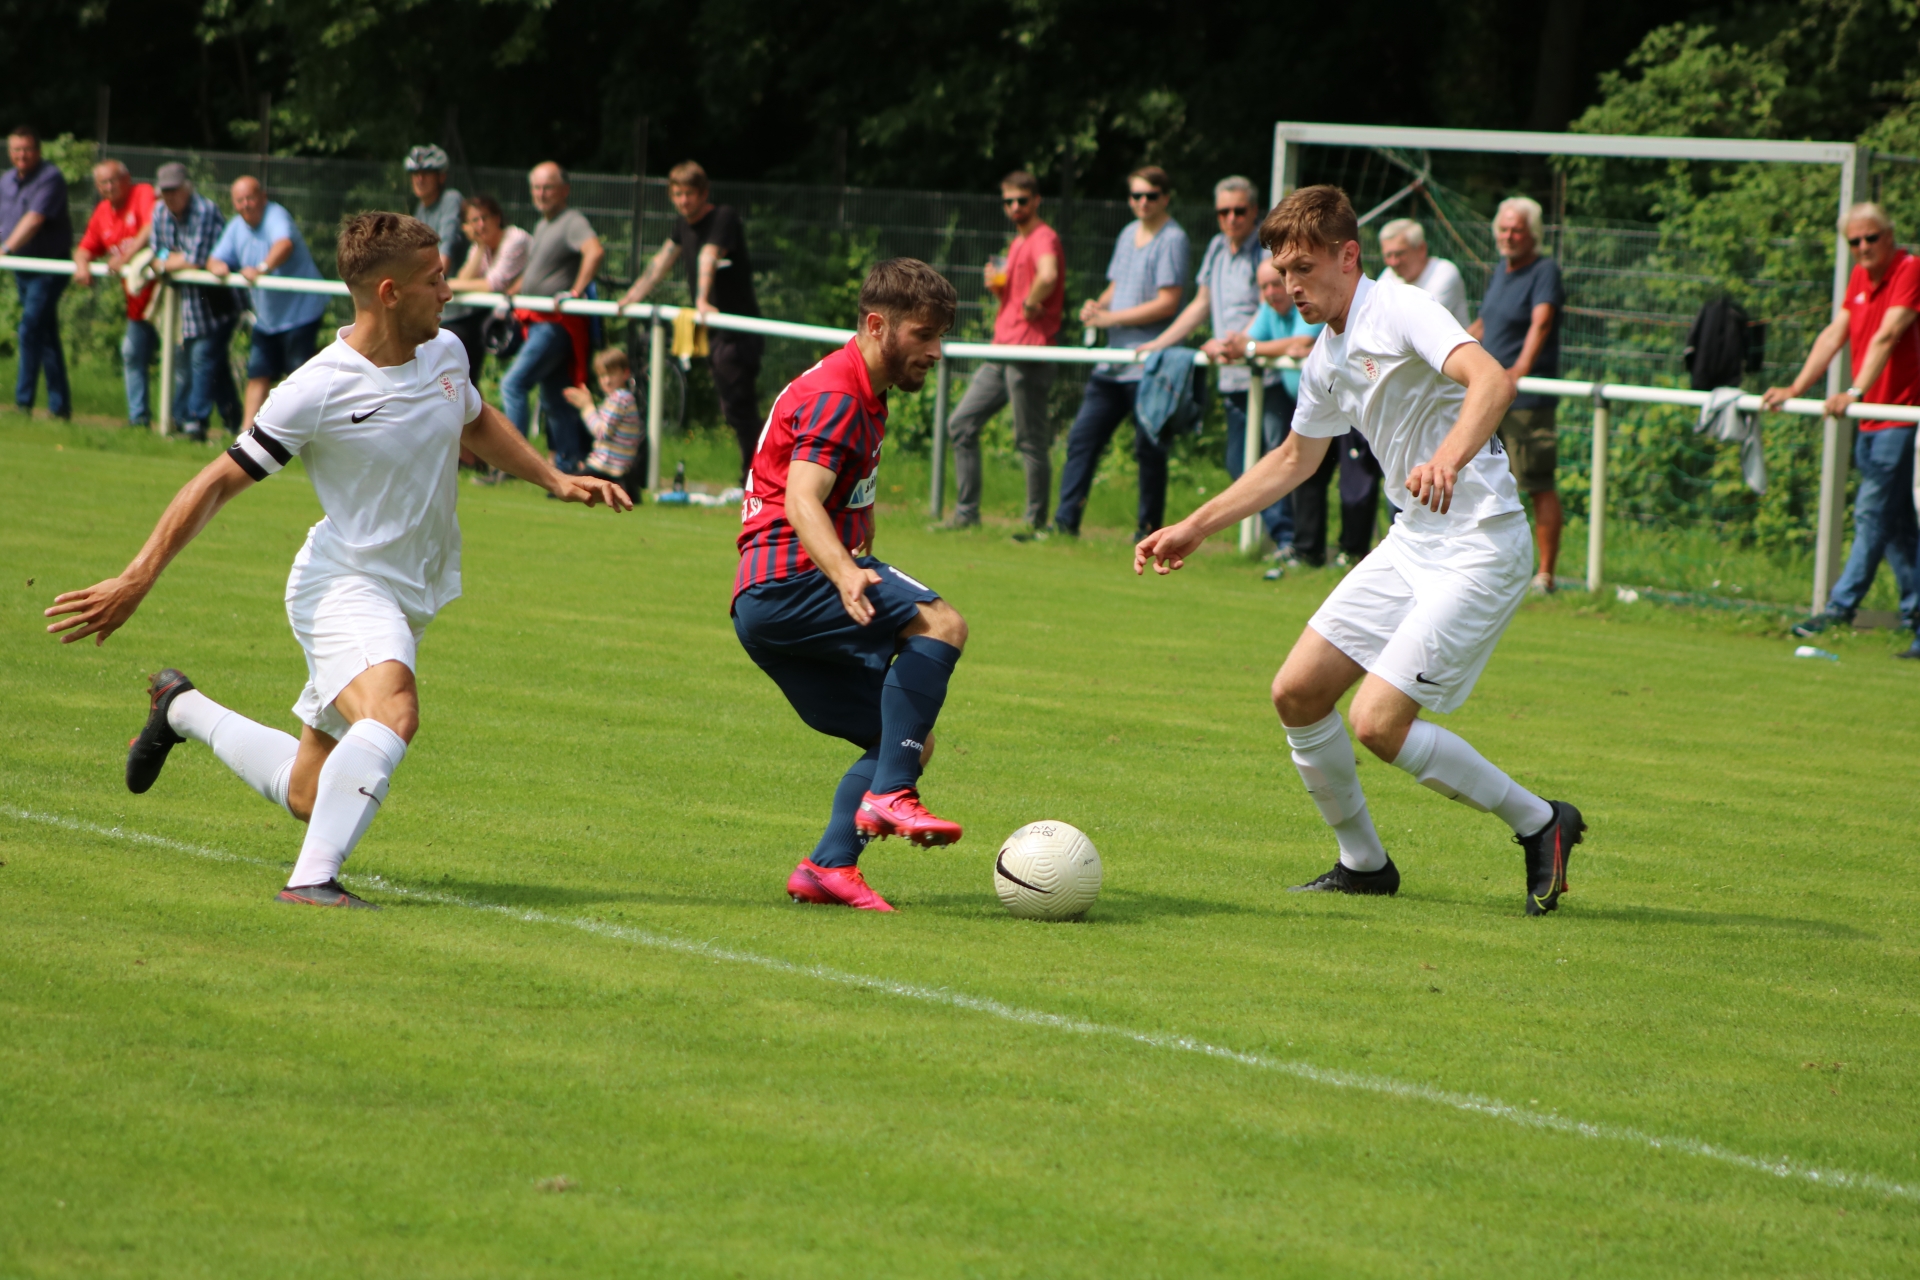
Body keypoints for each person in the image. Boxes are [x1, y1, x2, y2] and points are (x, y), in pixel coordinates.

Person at [45, 212, 631, 908]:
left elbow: (474, 420)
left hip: (409, 594)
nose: (449, 292)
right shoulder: (317, 387)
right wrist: (137, 576)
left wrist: (554, 479)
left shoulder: (446, 352)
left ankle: (181, 708)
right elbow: (217, 481)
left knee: (311, 792)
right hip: (344, 586)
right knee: (394, 709)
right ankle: (310, 881)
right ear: (389, 292)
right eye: (435, 280)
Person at [1136, 185, 1585, 915]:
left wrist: (1447, 458)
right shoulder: (1326, 354)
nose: (1291, 286)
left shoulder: (1401, 308)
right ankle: (1365, 864)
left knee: (1378, 722)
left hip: (1479, 541)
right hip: (1413, 540)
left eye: (1303, 269)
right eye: (1283, 272)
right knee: (1297, 693)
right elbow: (1294, 458)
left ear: (1349, 257)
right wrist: (1195, 526)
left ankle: (1540, 821)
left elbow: (1492, 381)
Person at [732, 259, 967, 913]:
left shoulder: (858, 388)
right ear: (877, 325)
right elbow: (802, 499)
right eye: (924, 334)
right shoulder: (838, 395)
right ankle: (889, 797)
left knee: (903, 741)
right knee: (943, 624)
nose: (935, 352)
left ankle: (829, 865)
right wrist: (844, 572)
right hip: (795, 576)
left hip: (762, 605)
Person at [1763, 201, 1920, 657]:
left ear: (1889, 236)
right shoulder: (1859, 278)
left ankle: (1839, 607)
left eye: (1871, 238)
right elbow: (1835, 334)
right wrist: (1795, 387)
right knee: (1897, 529)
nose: (1863, 247)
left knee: (1871, 513)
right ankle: (1917, 618)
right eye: (1854, 241)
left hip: (1900, 417)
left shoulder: (1910, 270)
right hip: (1870, 418)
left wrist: (1853, 391)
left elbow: (1888, 335)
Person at [1142, 176, 1282, 544]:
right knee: (1239, 463)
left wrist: (1234, 343)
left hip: (1268, 374)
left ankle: (1291, 542)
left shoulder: (1266, 251)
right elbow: (1200, 304)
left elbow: (1270, 306)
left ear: (1254, 211)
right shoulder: (1217, 248)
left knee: (1281, 462)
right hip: (1233, 376)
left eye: (1239, 210)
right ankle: (1283, 539)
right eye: (1224, 212)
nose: (1231, 218)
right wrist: (1160, 342)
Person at [1053, 166, 1191, 539]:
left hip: (1150, 363)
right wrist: (1097, 306)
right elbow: (1116, 287)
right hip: (1113, 362)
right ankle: (1064, 523)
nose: (1142, 202)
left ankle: (1149, 531)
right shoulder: (1128, 233)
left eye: (1150, 195)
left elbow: (1168, 302)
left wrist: (1112, 317)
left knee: (1149, 449)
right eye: (1136, 195)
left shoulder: (1173, 238)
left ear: (1165, 198)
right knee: (1082, 438)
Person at [934, 169, 1064, 533]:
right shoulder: (1018, 242)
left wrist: (1030, 302)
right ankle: (966, 514)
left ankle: (1034, 524)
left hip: (1029, 352)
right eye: (1008, 201)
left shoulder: (1043, 237)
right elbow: (1022, 288)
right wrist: (1000, 289)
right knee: (961, 424)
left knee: (1029, 439)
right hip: (1002, 348)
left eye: (1022, 200)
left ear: (1036, 201)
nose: (1015, 207)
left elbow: (1049, 275)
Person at [620, 161, 763, 479]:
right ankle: (756, 474)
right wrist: (631, 297)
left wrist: (701, 301)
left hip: (739, 332)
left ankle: (757, 476)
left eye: (690, 194)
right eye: (678, 194)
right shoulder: (682, 225)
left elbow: (707, 256)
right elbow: (661, 262)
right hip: (716, 332)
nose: (684, 201)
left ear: (704, 193)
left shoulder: (723, 216)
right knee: (732, 409)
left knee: (739, 409)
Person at [1468, 196, 1566, 594]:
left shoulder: (1544, 271)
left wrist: (1518, 371)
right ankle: (1490, 565)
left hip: (1526, 400)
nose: (1508, 236)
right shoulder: (1500, 271)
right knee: (1484, 482)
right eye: (1503, 229)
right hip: (1490, 396)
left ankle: (1544, 575)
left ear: (1533, 234)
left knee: (1537, 482)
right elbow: (1483, 325)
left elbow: (1541, 323)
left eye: (1516, 230)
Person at [1212, 257, 1321, 554]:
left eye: (1276, 284)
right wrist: (1226, 346)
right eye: (1264, 287)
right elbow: (1244, 341)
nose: (1271, 293)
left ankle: (1335, 551)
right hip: (1305, 406)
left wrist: (1248, 348)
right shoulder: (1268, 308)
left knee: (1343, 481)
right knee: (1294, 472)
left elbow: (1299, 340)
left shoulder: (1307, 300)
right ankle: (1295, 545)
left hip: (1340, 407)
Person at [501, 161, 602, 473]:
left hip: (554, 324)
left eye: (548, 187)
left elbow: (595, 251)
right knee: (557, 399)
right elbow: (538, 273)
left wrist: (576, 291)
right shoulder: (544, 224)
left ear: (565, 190)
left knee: (513, 384)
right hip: (539, 322)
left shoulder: (572, 221)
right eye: (536, 187)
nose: (541, 193)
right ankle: (569, 467)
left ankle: (513, 464)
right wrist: (512, 294)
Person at [207, 176, 329, 432]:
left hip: (301, 313)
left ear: (263, 197)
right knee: (257, 373)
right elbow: (215, 259)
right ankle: (245, 436)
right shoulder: (235, 227)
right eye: (239, 200)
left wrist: (261, 268)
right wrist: (218, 266)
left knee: (298, 379)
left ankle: (303, 434)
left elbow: (284, 244)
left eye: (250, 198)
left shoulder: (276, 215)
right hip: (267, 319)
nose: (245, 205)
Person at [151, 163, 242, 440]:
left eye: (174, 190)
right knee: (213, 363)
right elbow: (157, 254)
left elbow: (195, 258)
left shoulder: (205, 210)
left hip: (218, 303)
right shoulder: (158, 212)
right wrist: (169, 260)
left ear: (187, 188)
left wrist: (168, 261)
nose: (169, 197)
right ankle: (233, 418)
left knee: (203, 358)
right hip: (186, 305)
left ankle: (194, 423)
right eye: (165, 191)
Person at [71, 159, 159, 427]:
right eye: (103, 183)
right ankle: (138, 421)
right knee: (131, 353)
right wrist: (82, 265)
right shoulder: (102, 212)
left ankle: (185, 422)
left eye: (114, 180)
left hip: (166, 296)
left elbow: (150, 227)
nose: (109, 187)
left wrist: (126, 256)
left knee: (181, 359)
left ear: (127, 179)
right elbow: (85, 248)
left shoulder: (142, 193)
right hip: (137, 303)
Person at [1, 126, 73, 419]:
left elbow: (34, 220)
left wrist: (5, 249)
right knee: (44, 335)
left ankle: (23, 404)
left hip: (47, 268)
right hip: (23, 268)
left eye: (27, 149)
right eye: (16, 149)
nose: (22, 155)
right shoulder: (6, 180)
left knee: (30, 329)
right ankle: (59, 407)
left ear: (38, 151)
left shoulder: (50, 177)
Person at [407, 145, 479, 380]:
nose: (419, 179)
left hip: (461, 314)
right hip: (437, 313)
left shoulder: (450, 199)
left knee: (462, 386)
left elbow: (444, 254)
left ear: (441, 176)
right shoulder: (421, 208)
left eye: (426, 173)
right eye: (415, 173)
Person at [563, 346, 644, 494]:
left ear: (625, 374)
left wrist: (587, 407)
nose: (606, 381)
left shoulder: (619, 398)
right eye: (602, 376)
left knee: (565, 489)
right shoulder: (621, 397)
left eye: (611, 374)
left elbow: (602, 432)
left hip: (609, 469)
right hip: (617, 468)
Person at [1378, 218, 1469, 326]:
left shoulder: (1444, 273)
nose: (1393, 262)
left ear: (1421, 249)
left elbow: (1423, 324)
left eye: (1399, 254)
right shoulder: (1389, 275)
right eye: (1388, 255)